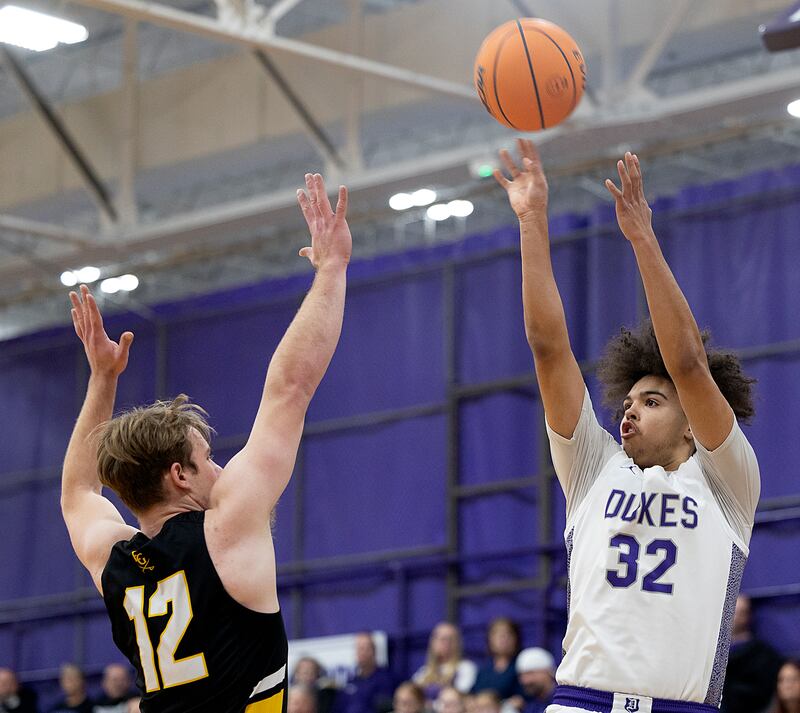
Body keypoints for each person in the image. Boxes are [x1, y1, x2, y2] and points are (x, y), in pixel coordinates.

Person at [60, 173, 351, 712]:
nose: (220, 469)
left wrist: (101, 379)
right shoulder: (226, 529)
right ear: (179, 475)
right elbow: (289, 388)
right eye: (208, 458)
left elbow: (78, 492)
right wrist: (332, 269)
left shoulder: (113, 562)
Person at [494, 139, 759, 711]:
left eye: (653, 401)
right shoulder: (594, 468)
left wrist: (642, 239)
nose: (630, 411)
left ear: (691, 425)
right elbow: (548, 348)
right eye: (629, 401)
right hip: (580, 701)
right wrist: (532, 221)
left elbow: (687, 363)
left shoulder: (727, 482)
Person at [721, 594, 783, 713]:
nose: (735, 617)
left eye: (740, 612)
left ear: (748, 616)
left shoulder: (763, 655)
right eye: (732, 611)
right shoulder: (713, 653)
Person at [413, 623, 476, 701]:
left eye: (450, 639)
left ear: (458, 643)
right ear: (432, 642)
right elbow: (412, 694)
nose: (445, 643)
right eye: (440, 638)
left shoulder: (466, 668)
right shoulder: (424, 672)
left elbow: (459, 698)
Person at [338, 633, 394, 713]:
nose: (361, 653)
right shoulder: (350, 682)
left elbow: (385, 707)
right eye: (358, 649)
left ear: (374, 651)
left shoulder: (386, 679)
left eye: (364, 648)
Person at [471, 618, 523, 700]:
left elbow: (523, 698)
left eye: (508, 634)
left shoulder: (522, 666)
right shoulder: (483, 670)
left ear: (516, 639)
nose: (503, 639)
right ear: (489, 640)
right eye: (498, 635)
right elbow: (473, 694)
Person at [514, 649, 555, 713]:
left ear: (548, 671)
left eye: (530, 673)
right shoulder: (530, 706)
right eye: (521, 675)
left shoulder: (564, 699)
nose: (525, 681)